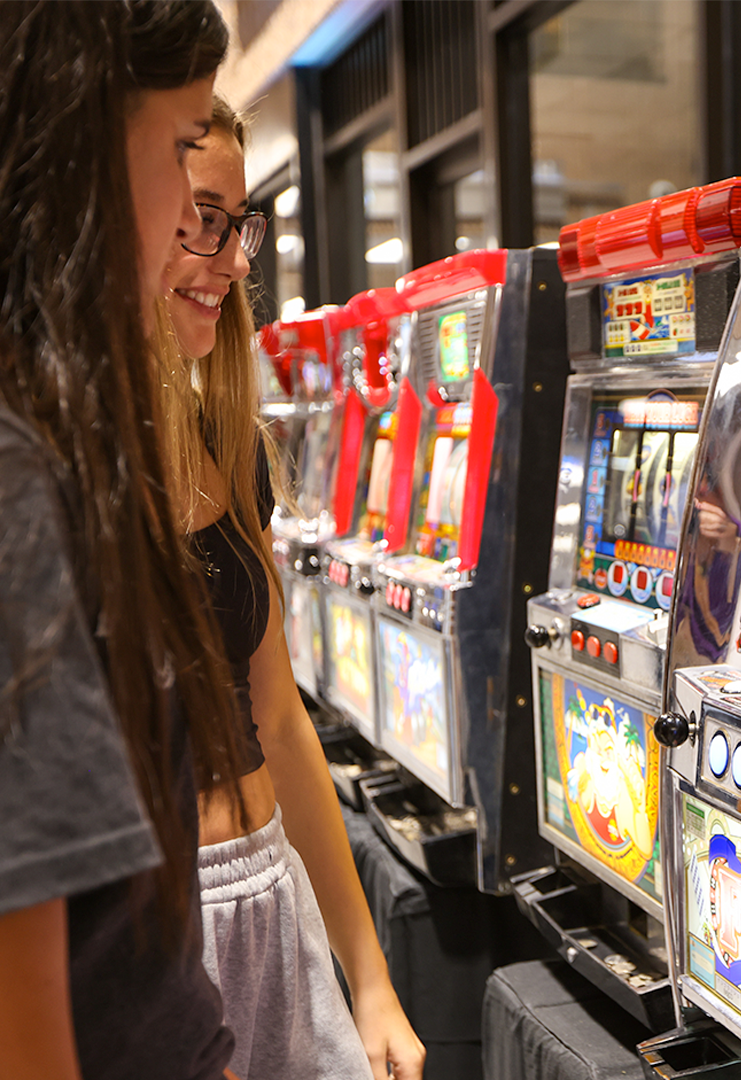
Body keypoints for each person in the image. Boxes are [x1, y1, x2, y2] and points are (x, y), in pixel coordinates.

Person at [0, 4, 250, 1078]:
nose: (207, 251)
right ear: (83, 154)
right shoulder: (20, 474)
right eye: (177, 146)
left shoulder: (63, 444)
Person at [161, 96, 425, 1080]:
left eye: (244, 225)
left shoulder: (230, 442)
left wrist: (372, 979)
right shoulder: (66, 471)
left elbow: (277, 715)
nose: (235, 261)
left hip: (268, 890)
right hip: (160, 929)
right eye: (204, 217)